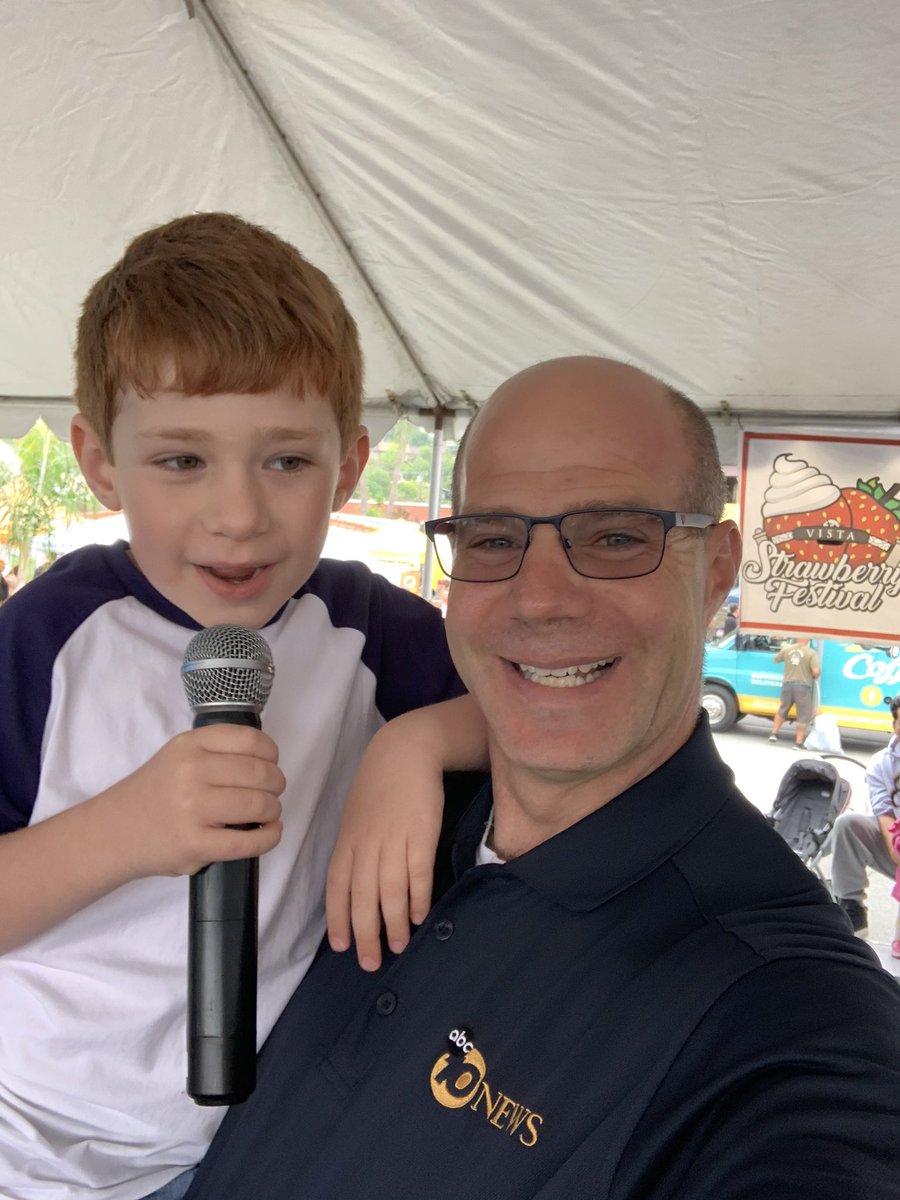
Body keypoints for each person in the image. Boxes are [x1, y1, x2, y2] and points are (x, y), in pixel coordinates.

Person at [185, 357, 900, 1200]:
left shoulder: (792, 1016)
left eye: (616, 535)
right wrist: (404, 747)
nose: (540, 599)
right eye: (493, 539)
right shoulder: (374, 805)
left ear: (716, 567)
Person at [0, 212, 487, 1200]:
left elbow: (524, 710)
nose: (240, 514)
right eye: (182, 461)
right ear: (100, 463)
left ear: (348, 465)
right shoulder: (51, 634)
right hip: (30, 1144)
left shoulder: (367, 630)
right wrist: (126, 828)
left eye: (286, 461)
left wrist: (417, 746)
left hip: (250, 1153)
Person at [831, 695, 900, 950]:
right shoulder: (882, 764)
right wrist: (896, 854)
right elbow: (885, 815)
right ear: (894, 725)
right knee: (848, 825)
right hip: (897, 845)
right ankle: (852, 909)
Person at [768, 635, 820, 748]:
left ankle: (774, 734)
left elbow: (775, 659)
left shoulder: (788, 649)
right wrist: (813, 676)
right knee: (803, 714)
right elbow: (816, 671)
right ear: (808, 639)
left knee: (783, 709)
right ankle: (798, 743)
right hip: (802, 686)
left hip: (787, 684)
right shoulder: (811, 653)